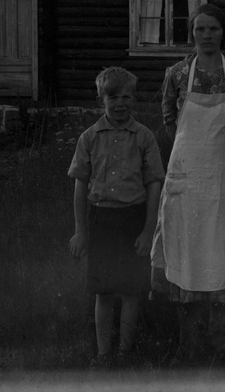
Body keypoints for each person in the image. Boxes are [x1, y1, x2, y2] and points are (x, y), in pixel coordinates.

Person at [151, 4, 225, 318]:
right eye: (200, 29)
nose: (207, 35)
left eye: (213, 29)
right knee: (185, 239)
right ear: (191, 33)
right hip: (188, 174)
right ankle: (186, 323)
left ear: (223, 33)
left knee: (223, 241)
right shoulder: (178, 73)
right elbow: (170, 119)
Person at [68, 67, 165, 367]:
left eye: (127, 97)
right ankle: (103, 354)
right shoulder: (89, 137)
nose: (120, 103)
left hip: (133, 220)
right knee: (104, 291)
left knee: (131, 291)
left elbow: (154, 185)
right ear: (101, 99)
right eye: (113, 97)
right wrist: (81, 231)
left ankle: (125, 351)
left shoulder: (144, 137)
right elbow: (80, 186)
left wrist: (148, 231)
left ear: (134, 99)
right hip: (101, 221)